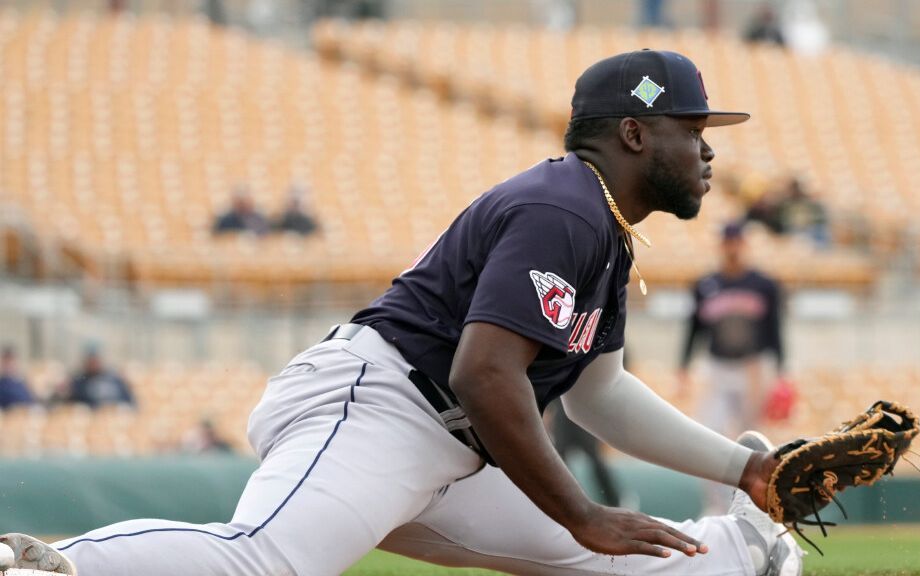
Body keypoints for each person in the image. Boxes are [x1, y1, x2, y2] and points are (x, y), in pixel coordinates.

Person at [1, 50, 803, 576]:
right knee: (269, 560)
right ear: (633, 132)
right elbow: (485, 374)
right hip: (384, 404)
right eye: (690, 127)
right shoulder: (567, 209)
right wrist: (581, 509)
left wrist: (745, 469)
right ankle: (35, 565)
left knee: (598, 554)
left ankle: (745, 549)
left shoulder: (602, 229)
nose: (707, 149)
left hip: (445, 444)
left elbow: (598, 394)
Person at [679, 222, 786, 439]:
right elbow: (694, 328)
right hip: (717, 365)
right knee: (710, 428)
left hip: (752, 366)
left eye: (736, 242)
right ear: (721, 246)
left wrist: (781, 369)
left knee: (751, 433)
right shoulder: (705, 284)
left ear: (744, 244)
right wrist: (684, 365)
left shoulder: (764, 285)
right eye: (728, 243)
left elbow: (775, 327)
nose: (732, 248)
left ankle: (750, 473)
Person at [55, 345, 136, 409]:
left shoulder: (114, 380)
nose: (93, 364)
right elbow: (70, 403)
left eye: (95, 360)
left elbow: (130, 403)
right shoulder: (80, 381)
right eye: (91, 360)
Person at [0, 345, 35, 410]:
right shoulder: (2, 384)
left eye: (12, 361)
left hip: (26, 415)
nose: (10, 364)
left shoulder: (21, 383)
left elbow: (31, 401)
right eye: (7, 361)